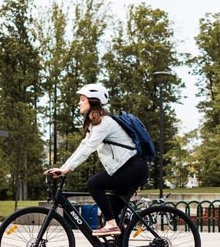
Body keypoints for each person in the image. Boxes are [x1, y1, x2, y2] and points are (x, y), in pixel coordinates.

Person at [44, 83, 149, 237]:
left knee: (94, 184)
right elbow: (83, 146)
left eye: (82, 99)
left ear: (92, 101)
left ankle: (112, 225)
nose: (79, 102)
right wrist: (63, 167)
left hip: (134, 169)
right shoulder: (96, 125)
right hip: (127, 169)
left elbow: (88, 149)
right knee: (110, 212)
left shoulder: (104, 123)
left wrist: (66, 169)